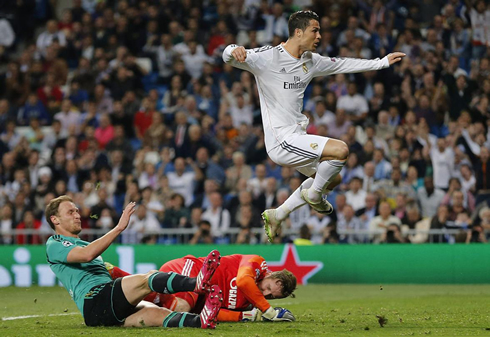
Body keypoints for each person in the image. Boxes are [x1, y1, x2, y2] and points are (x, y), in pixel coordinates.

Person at [222, 10, 405, 242]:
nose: (319, 36)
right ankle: (315, 196)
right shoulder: (268, 57)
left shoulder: (311, 60)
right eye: (314, 30)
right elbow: (228, 56)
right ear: (298, 32)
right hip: (281, 141)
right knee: (340, 151)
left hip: (296, 136)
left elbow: (342, 64)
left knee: (334, 178)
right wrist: (233, 49)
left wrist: (381, 62)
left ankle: (279, 213)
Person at [45, 195, 222, 328]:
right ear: (55, 219)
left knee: (157, 313)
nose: (77, 215)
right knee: (149, 278)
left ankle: (200, 321)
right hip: (96, 298)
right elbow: (86, 255)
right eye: (70, 212)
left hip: (99, 314)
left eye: (76, 210)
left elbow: (89, 257)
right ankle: (196, 283)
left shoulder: (81, 243)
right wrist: (119, 228)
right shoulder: (55, 243)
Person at [106, 253, 297, 323]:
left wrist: (245, 316)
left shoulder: (250, 304)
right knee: (181, 308)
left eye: (271, 297)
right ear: (271, 275)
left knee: (161, 305)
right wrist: (268, 311)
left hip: (194, 297)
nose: (265, 294)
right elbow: (242, 281)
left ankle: (116, 275)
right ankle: (147, 281)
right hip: (191, 271)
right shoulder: (257, 263)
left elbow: (214, 312)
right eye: (268, 288)